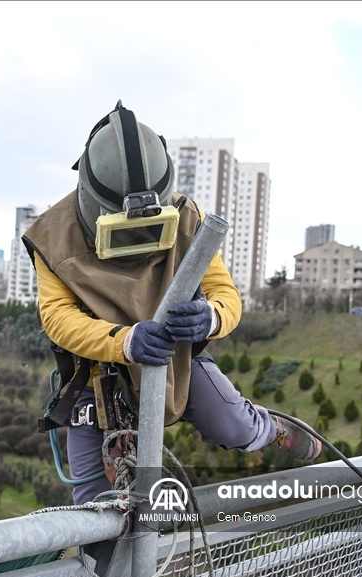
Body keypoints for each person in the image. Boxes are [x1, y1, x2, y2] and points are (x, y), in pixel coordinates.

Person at [22, 102, 322, 505]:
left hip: (173, 351)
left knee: (232, 426)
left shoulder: (186, 216)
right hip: (97, 370)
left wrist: (211, 319)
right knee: (94, 499)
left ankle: (269, 429)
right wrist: (123, 342)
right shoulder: (53, 236)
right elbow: (58, 317)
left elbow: (225, 294)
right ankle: (107, 565)